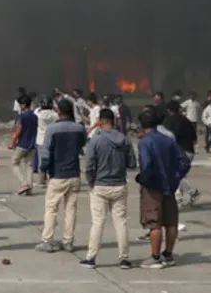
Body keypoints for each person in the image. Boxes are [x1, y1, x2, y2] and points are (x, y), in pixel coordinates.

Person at [137, 109, 190, 269]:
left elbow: (147, 164)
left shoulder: (144, 141)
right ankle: (168, 254)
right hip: (169, 185)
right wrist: (176, 177)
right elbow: (184, 161)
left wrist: (143, 179)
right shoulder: (168, 140)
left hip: (153, 187)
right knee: (171, 222)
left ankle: (155, 257)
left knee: (154, 222)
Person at [80, 109, 133, 269]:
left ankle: (91, 257)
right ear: (114, 121)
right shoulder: (124, 139)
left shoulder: (96, 140)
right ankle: (124, 258)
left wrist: (91, 182)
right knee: (121, 222)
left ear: (100, 121)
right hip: (119, 184)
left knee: (97, 222)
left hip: (100, 185)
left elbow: (90, 165)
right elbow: (132, 163)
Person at [37, 99, 86, 253]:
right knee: (71, 209)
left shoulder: (52, 129)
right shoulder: (79, 128)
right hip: (74, 173)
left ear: (59, 111)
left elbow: (46, 153)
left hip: (58, 174)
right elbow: (82, 145)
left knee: (51, 208)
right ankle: (68, 241)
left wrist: (43, 171)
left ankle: (47, 240)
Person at [162, 100, 201, 205]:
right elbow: (194, 138)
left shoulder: (168, 121)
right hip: (189, 150)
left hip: (179, 152)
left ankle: (191, 192)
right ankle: (179, 197)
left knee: (175, 175)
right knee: (181, 176)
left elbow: (168, 137)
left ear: (168, 110)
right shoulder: (186, 120)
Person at [9, 96, 38, 195]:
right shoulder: (35, 116)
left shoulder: (23, 116)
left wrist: (13, 142)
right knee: (29, 165)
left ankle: (24, 183)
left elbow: (19, 130)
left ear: (24, 105)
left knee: (14, 162)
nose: (20, 106)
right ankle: (29, 187)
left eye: (20, 104)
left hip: (22, 143)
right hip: (32, 144)